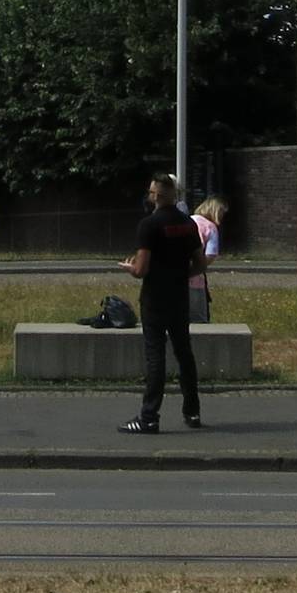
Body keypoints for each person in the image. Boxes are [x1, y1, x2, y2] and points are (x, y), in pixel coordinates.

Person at [118, 173, 204, 434]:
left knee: (155, 356)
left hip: (155, 298)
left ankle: (149, 417)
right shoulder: (188, 224)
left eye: (151, 192)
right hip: (179, 296)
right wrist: (180, 275)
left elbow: (142, 269)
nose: (149, 196)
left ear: (156, 195)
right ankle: (192, 411)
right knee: (184, 353)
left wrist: (130, 268)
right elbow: (200, 263)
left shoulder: (149, 225)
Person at [187, 197, 228, 323]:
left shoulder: (188, 220)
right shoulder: (210, 228)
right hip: (194, 279)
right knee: (198, 320)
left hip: (174, 275)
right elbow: (210, 255)